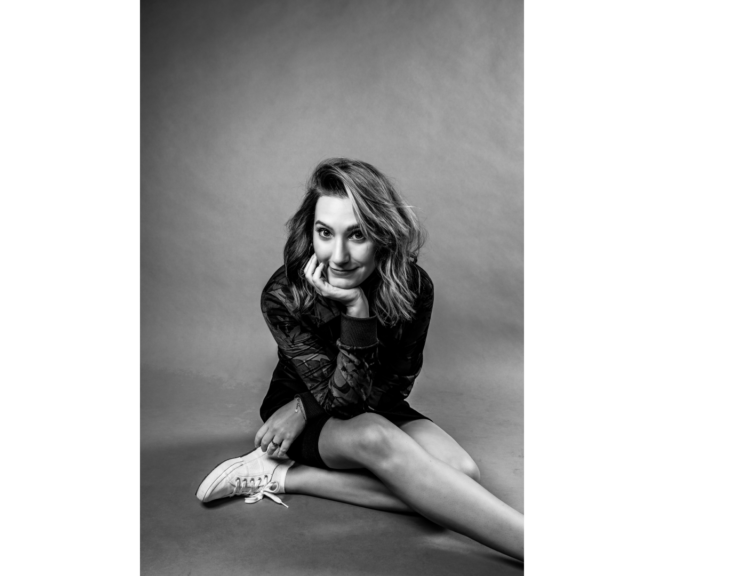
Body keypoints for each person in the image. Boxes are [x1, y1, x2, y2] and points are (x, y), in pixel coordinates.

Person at [196, 158, 525, 562]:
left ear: (383, 236)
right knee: (375, 436)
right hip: (302, 407)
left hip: (364, 399)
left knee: (462, 474)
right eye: (325, 233)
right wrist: (353, 317)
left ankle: (285, 476)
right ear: (310, 233)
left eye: (357, 235)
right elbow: (346, 407)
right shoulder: (283, 294)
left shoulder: (414, 286)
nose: (339, 256)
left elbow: (396, 383)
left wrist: (358, 308)